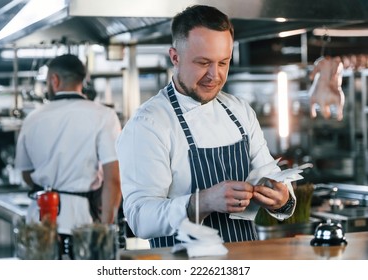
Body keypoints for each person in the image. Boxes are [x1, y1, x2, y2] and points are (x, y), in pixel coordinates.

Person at [116, 5, 297, 248]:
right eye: (203, 63)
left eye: (223, 62)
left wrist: (281, 197)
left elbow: (273, 178)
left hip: (243, 260)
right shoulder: (149, 124)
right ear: (175, 57)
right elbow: (140, 218)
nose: (215, 75)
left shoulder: (239, 111)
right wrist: (202, 202)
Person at [15, 54, 122, 257]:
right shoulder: (104, 116)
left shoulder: (33, 118)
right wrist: (104, 231)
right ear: (82, 80)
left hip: (38, 224)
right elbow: (114, 180)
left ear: (54, 80)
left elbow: (27, 174)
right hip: (81, 224)